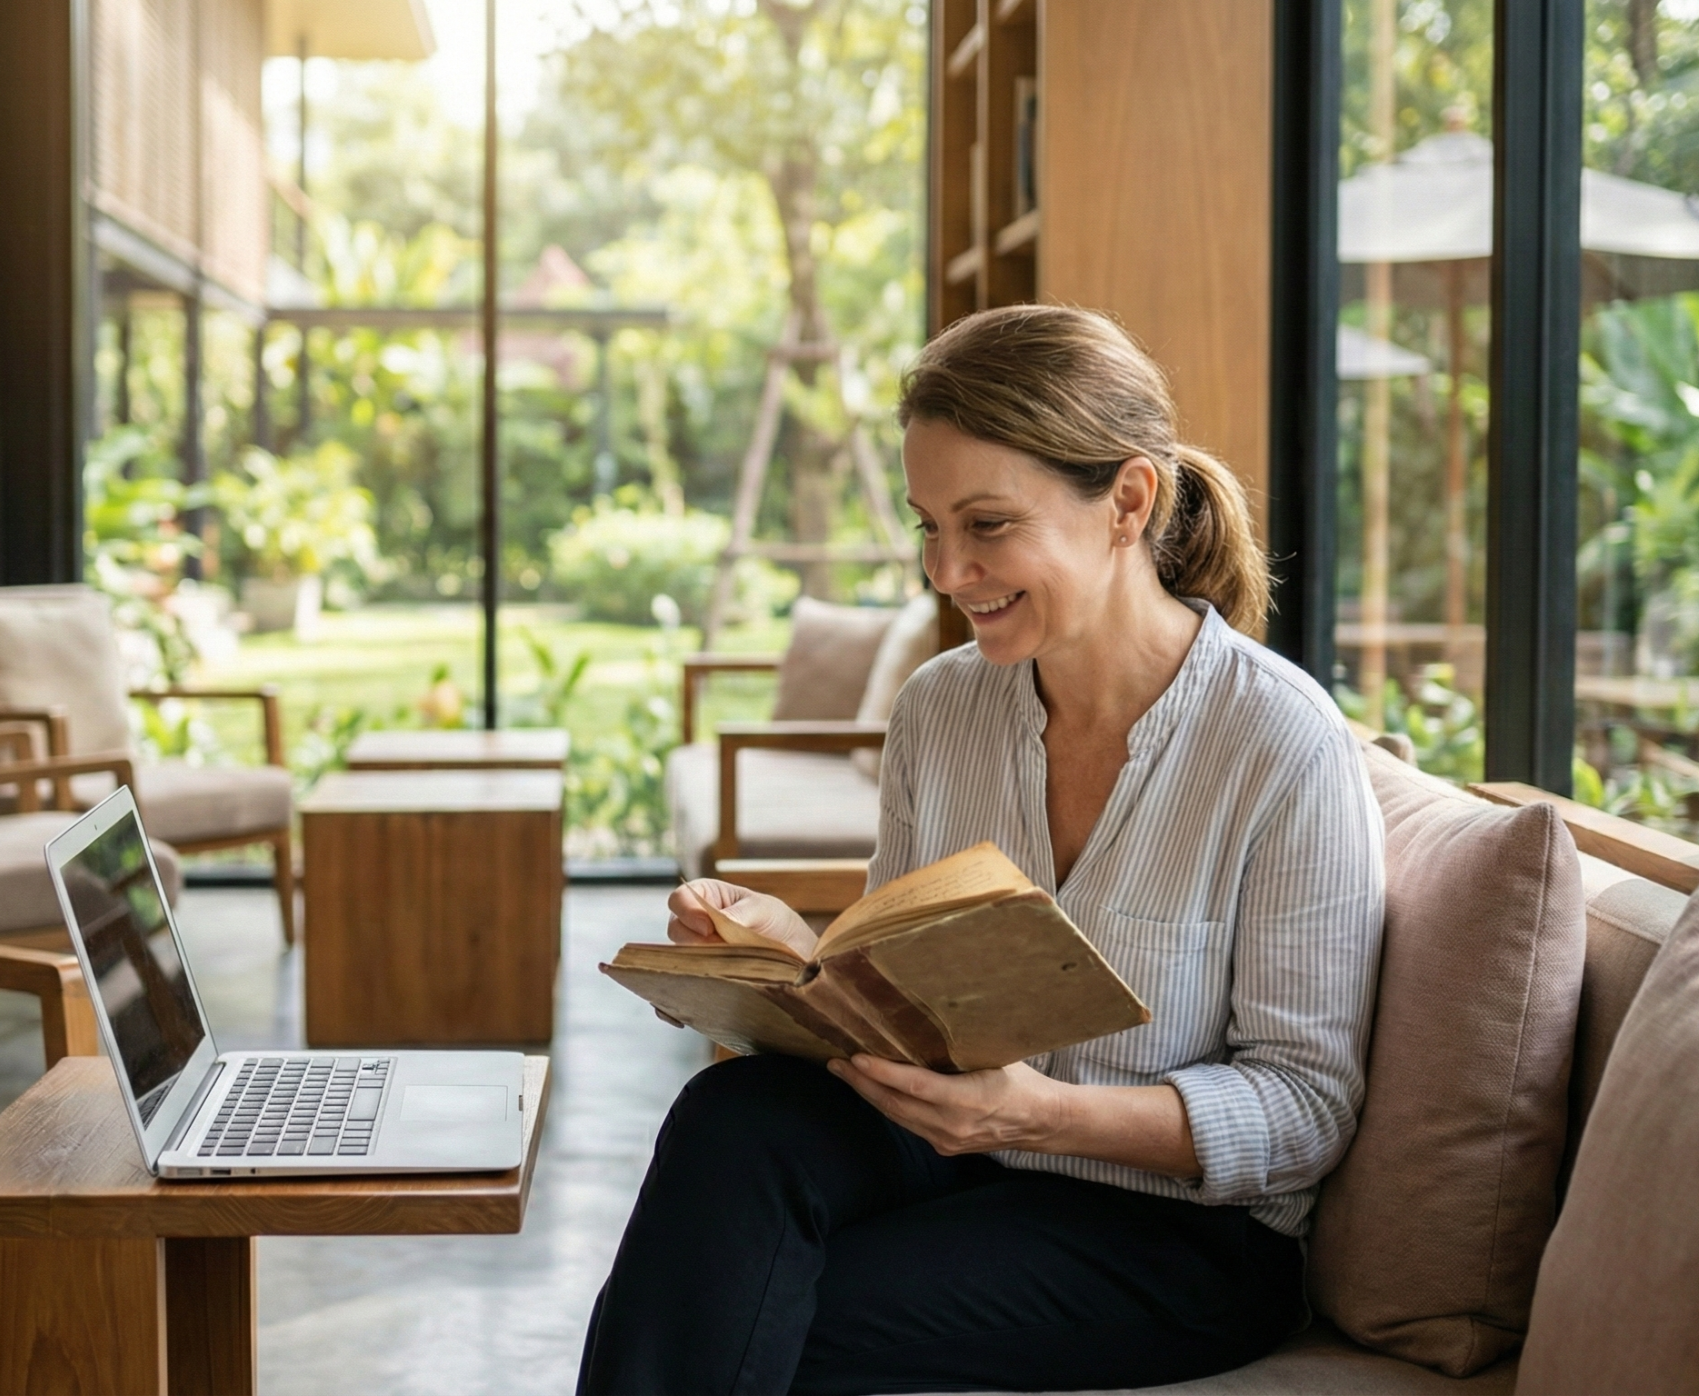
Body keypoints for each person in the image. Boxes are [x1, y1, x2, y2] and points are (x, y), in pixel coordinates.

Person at [576, 304, 1385, 1395]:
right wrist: (794, 961)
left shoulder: (1279, 743)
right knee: (733, 1119)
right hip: (959, 1154)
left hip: (1175, 1236)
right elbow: (905, 995)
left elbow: (1304, 1111)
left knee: (734, 1298)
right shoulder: (939, 710)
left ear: (1127, 501)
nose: (945, 571)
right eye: (926, 526)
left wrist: (1037, 1111)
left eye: (988, 525)